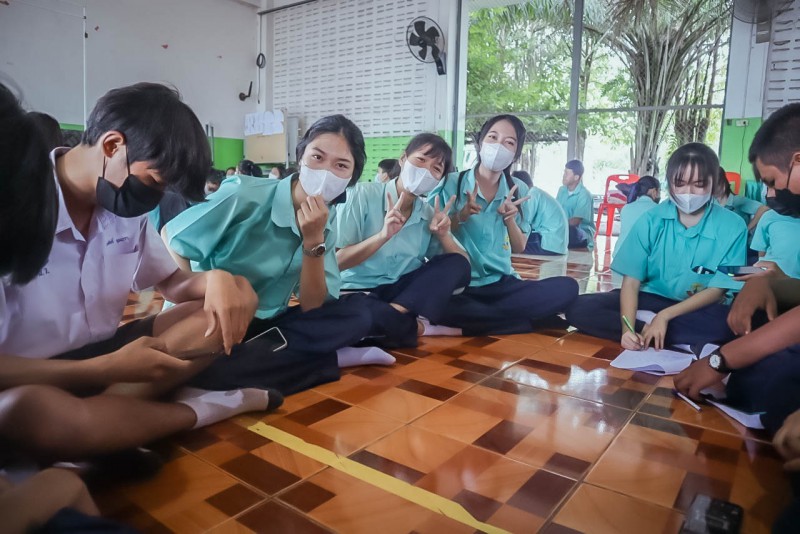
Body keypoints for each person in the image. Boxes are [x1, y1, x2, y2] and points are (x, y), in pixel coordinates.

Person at [0, 83, 277, 462]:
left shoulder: (122, 206)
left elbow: (174, 284)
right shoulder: (19, 202)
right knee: (30, 413)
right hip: (28, 374)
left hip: (110, 356)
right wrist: (102, 369)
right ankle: (199, 410)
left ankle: (104, 422)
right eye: (153, 183)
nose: (154, 198)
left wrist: (220, 280)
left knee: (224, 306)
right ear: (112, 146)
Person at [163, 115, 395, 395]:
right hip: (213, 316)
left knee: (357, 313)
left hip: (267, 323)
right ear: (300, 157)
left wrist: (313, 240)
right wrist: (190, 297)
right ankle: (316, 361)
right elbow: (172, 237)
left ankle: (227, 372)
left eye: (341, 165)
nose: (326, 172)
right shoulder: (245, 194)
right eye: (317, 157)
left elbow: (313, 306)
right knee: (194, 362)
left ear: (352, 177)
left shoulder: (327, 220)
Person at [672, 103, 800, 533]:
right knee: (766, 373)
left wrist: (719, 360)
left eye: (772, 182)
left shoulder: (729, 222)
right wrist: (767, 283)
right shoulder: (656, 219)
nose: (771, 196)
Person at [566, 143, 747, 350]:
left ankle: (656, 325)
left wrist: (665, 316)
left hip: (699, 306)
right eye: (680, 183)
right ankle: (648, 329)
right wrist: (627, 329)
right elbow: (631, 282)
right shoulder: (651, 219)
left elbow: (718, 289)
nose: (688, 192)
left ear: (714, 183)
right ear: (669, 183)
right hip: (650, 298)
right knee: (579, 307)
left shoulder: (733, 226)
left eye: (699, 184)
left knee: (730, 325)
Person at [428, 114, 579, 336]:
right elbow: (435, 234)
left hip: (503, 283)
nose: (498, 146)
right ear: (481, 142)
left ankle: (489, 322)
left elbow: (519, 246)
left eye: (509, 142)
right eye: (492, 137)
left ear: (516, 154)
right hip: (462, 287)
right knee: (436, 303)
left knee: (568, 288)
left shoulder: (518, 190)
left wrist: (509, 220)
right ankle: (524, 322)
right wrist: (461, 215)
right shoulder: (452, 183)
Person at [336, 133, 471, 345]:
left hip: (404, 293)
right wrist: (382, 236)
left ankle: (391, 316)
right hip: (359, 290)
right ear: (403, 159)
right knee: (468, 317)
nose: (425, 171)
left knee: (458, 266)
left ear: (439, 179)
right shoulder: (362, 195)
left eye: (436, 169)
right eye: (421, 160)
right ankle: (413, 324)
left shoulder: (428, 213)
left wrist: (444, 235)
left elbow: (462, 265)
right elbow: (337, 261)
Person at [512, 170, 568, 256]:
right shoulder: (537, 193)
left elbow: (524, 221)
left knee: (511, 242)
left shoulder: (532, 194)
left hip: (547, 242)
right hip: (556, 244)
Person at [750, 188, 800, 279]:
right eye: (769, 188)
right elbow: (761, 251)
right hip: (770, 277)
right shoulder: (768, 216)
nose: (770, 195)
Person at [612, 175, 660, 256]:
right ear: (654, 191)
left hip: (618, 256)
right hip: (639, 259)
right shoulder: (658, 210)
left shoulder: (626, 208)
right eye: (659, 191)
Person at [716, 166, 769, 231]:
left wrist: (746, 230)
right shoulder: (712, 202)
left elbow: (764, 208)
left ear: (723, 185)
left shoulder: (736, 201)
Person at [556, 159, 595, 249]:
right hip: (563, 228)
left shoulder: (584, 195)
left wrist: (557, 225)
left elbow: (576, 222)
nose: (563, 176)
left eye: (566, 173)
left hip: (580, 232)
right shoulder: (562, 190)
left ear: (576, 177)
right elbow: (556, 212)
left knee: (571, 231)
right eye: (564, 172)